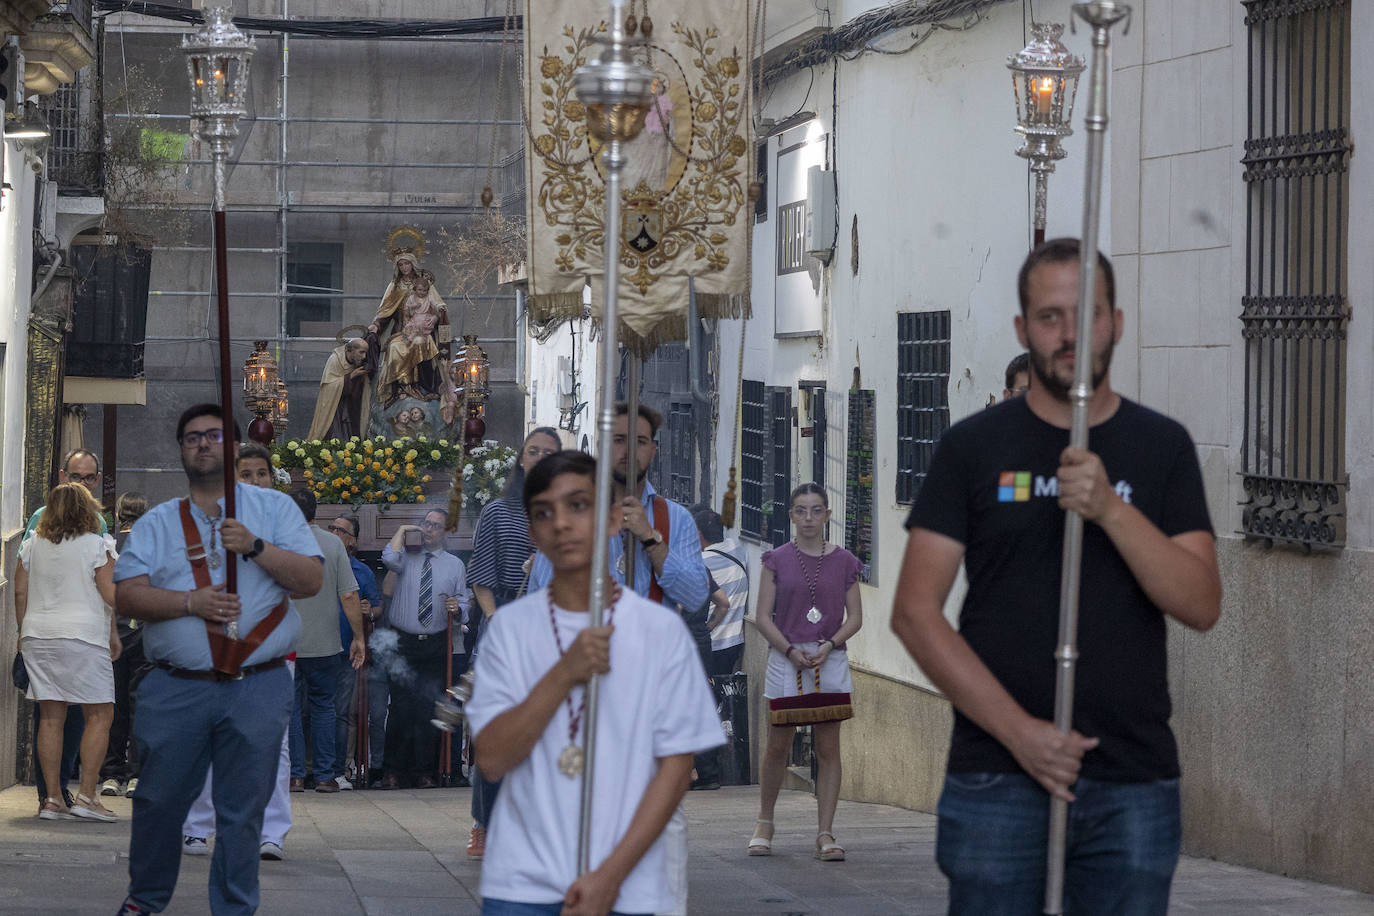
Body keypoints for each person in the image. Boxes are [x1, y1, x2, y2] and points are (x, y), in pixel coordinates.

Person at [891, 238, 1221, 915]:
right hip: (997, 777)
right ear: (1022, 328)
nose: (1069, 334)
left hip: (1131, 778)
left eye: (1087, 313)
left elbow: (1201, 601)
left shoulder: (1162, 447)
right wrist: (1022, 735)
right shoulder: (972, 449)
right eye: (1049, 317)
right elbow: (915, 614)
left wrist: (1110, 508)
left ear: (1116, 323)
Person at [466, 449, 724, 916]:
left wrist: (610, 876)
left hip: (629, 880)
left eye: (578, 506)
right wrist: (563, 674)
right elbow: (492, 758)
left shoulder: (660, 632)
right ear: (532, 532)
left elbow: (675, 770)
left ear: (612, 520)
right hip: (523, 881)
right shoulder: (510, 630)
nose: (561, 523)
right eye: (544, 512)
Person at [113, 403, 323, 916]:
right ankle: (145, 901)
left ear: (233, 448)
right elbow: (127, 596)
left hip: (258, 683)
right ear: (182, 451)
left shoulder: (275, 511)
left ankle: (233, 908)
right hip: (176, 685)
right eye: (192, 438)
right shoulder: (159, 523)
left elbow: (310, 580)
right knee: (158, 802)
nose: (203, 444)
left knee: (242, 812)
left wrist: (254, 546)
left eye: (213, 436)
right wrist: (189, 602)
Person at [528, 404, 710, 915]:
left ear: (655, 450)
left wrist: (649, 541)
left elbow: (696, 594)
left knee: (662, 821)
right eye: (620, 440)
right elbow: (539, 601)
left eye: (642, 441)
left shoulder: (673, 518)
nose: (630, 450)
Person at [181, 444, 299, 861]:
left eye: (261, 473)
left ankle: (271, 831)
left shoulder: (285, 522)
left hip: (270, 647)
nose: (254, 481)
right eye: (244, 474)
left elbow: (300, 578)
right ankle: (198, 826)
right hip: (216, 643)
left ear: (273, 478)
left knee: (273, 745)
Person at [747, 483, 863, 862]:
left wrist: (829, 645)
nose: (809, 518)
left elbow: (856, 617)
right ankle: (765, 822)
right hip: (787, 657)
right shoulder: (775, 559)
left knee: (829, 749)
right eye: (801, 510)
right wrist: (790, 650)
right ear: (792, 515)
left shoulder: (845, 560)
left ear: (828, 515)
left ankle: (826, 832)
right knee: (778, 745)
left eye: (816, 510)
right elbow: (763, 616)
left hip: (830, 660)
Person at [463, 426, 561, 858]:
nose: (538, 458)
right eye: (532, 451)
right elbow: (479, 578)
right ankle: (485, 824)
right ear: (520, 459)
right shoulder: (498, 512)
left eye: (548, 453)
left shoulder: (572, 512)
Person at [14, 482, 122, 822]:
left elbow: (20, 592)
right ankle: (88, 796)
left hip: (37, 636)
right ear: (86, 510)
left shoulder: (33, 545)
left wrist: (23, 632)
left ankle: (53, 801)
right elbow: (109, 594)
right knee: (99, 714)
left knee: (51, 715)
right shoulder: (97, 545)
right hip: (83, 637)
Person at [377, 508, 467, 789]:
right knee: (401, 707)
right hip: (403, 641)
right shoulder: (405, 556)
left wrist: (458, 607)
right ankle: (393, 771)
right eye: (425, 524)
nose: (429, 529)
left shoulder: (454, 565)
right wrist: (404, 531)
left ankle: (424, 771)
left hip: (437, 642)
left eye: (435, 526)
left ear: (445, 532)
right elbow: (387, 558)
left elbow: (464, 600)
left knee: (429, 706)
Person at [284, 489, 365, 794]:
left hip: (286, 642)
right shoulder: (332, 543)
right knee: (323, 707)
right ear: (316, 513)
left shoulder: (278, 542)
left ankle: (294, 775)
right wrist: (358, 637)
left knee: (290, 708)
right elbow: (348, 594)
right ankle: (323, 776)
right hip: (324, 643)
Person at [101, 492, 151, 799]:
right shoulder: (151, 546)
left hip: (110, 632)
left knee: (112, 705)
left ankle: (110, 773)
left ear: (118, 515)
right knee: (139, 706)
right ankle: (136, 775)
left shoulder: (107, 545)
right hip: (143, 633)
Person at [325, 514, 380, 787]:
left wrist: (370, 611)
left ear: (352, 540)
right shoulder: (317, 562)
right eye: (331, 528)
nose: (334, 532)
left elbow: (378, 606)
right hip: (318, 648)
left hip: (347, 650)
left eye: (340, 530)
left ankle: (340, 769)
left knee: (342, 711)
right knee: (312, 709)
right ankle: (314, 769)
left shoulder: (362, 572)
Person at [692, 506, 749, 677]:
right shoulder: (738, 551)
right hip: (734, 643)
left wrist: (706, 628)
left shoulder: (700, 564)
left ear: (699, 534)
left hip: (709, 645)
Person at [307, 337, 371, 441]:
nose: (364, 356)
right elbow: (328, 387)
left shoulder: (357, 362)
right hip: (334, 409)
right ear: (350, 350)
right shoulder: (335, 360)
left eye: (365, 353)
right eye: (361, 352)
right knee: (335, 436)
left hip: (351, 408)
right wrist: (351, 376)